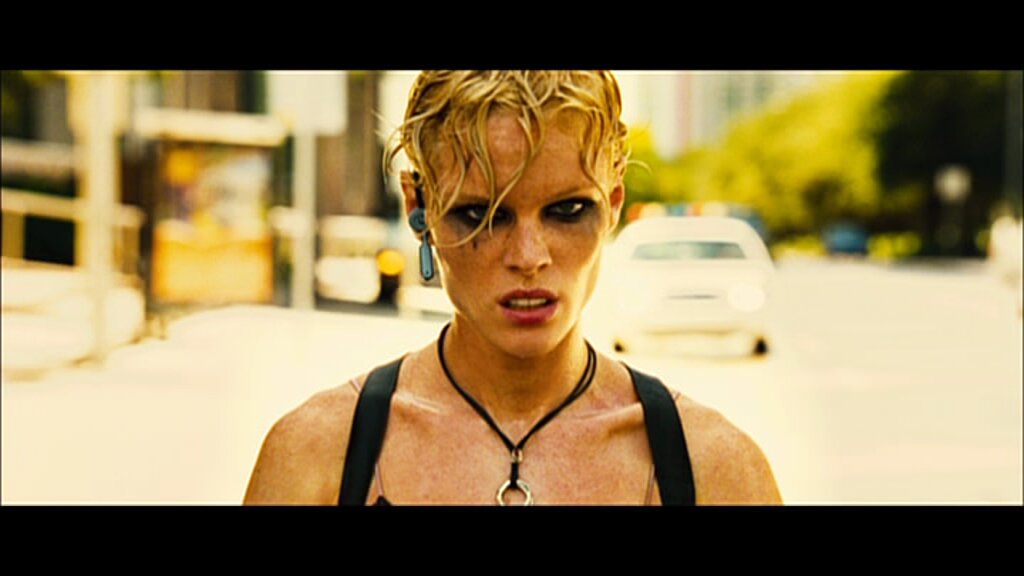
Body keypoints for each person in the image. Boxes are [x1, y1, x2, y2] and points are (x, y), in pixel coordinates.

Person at [243, 70, 782, 505]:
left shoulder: (714, 468)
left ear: (614, 201)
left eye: (568, 210)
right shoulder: (319, 455)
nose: (528, 257)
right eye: (482, 214)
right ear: (419, 207)